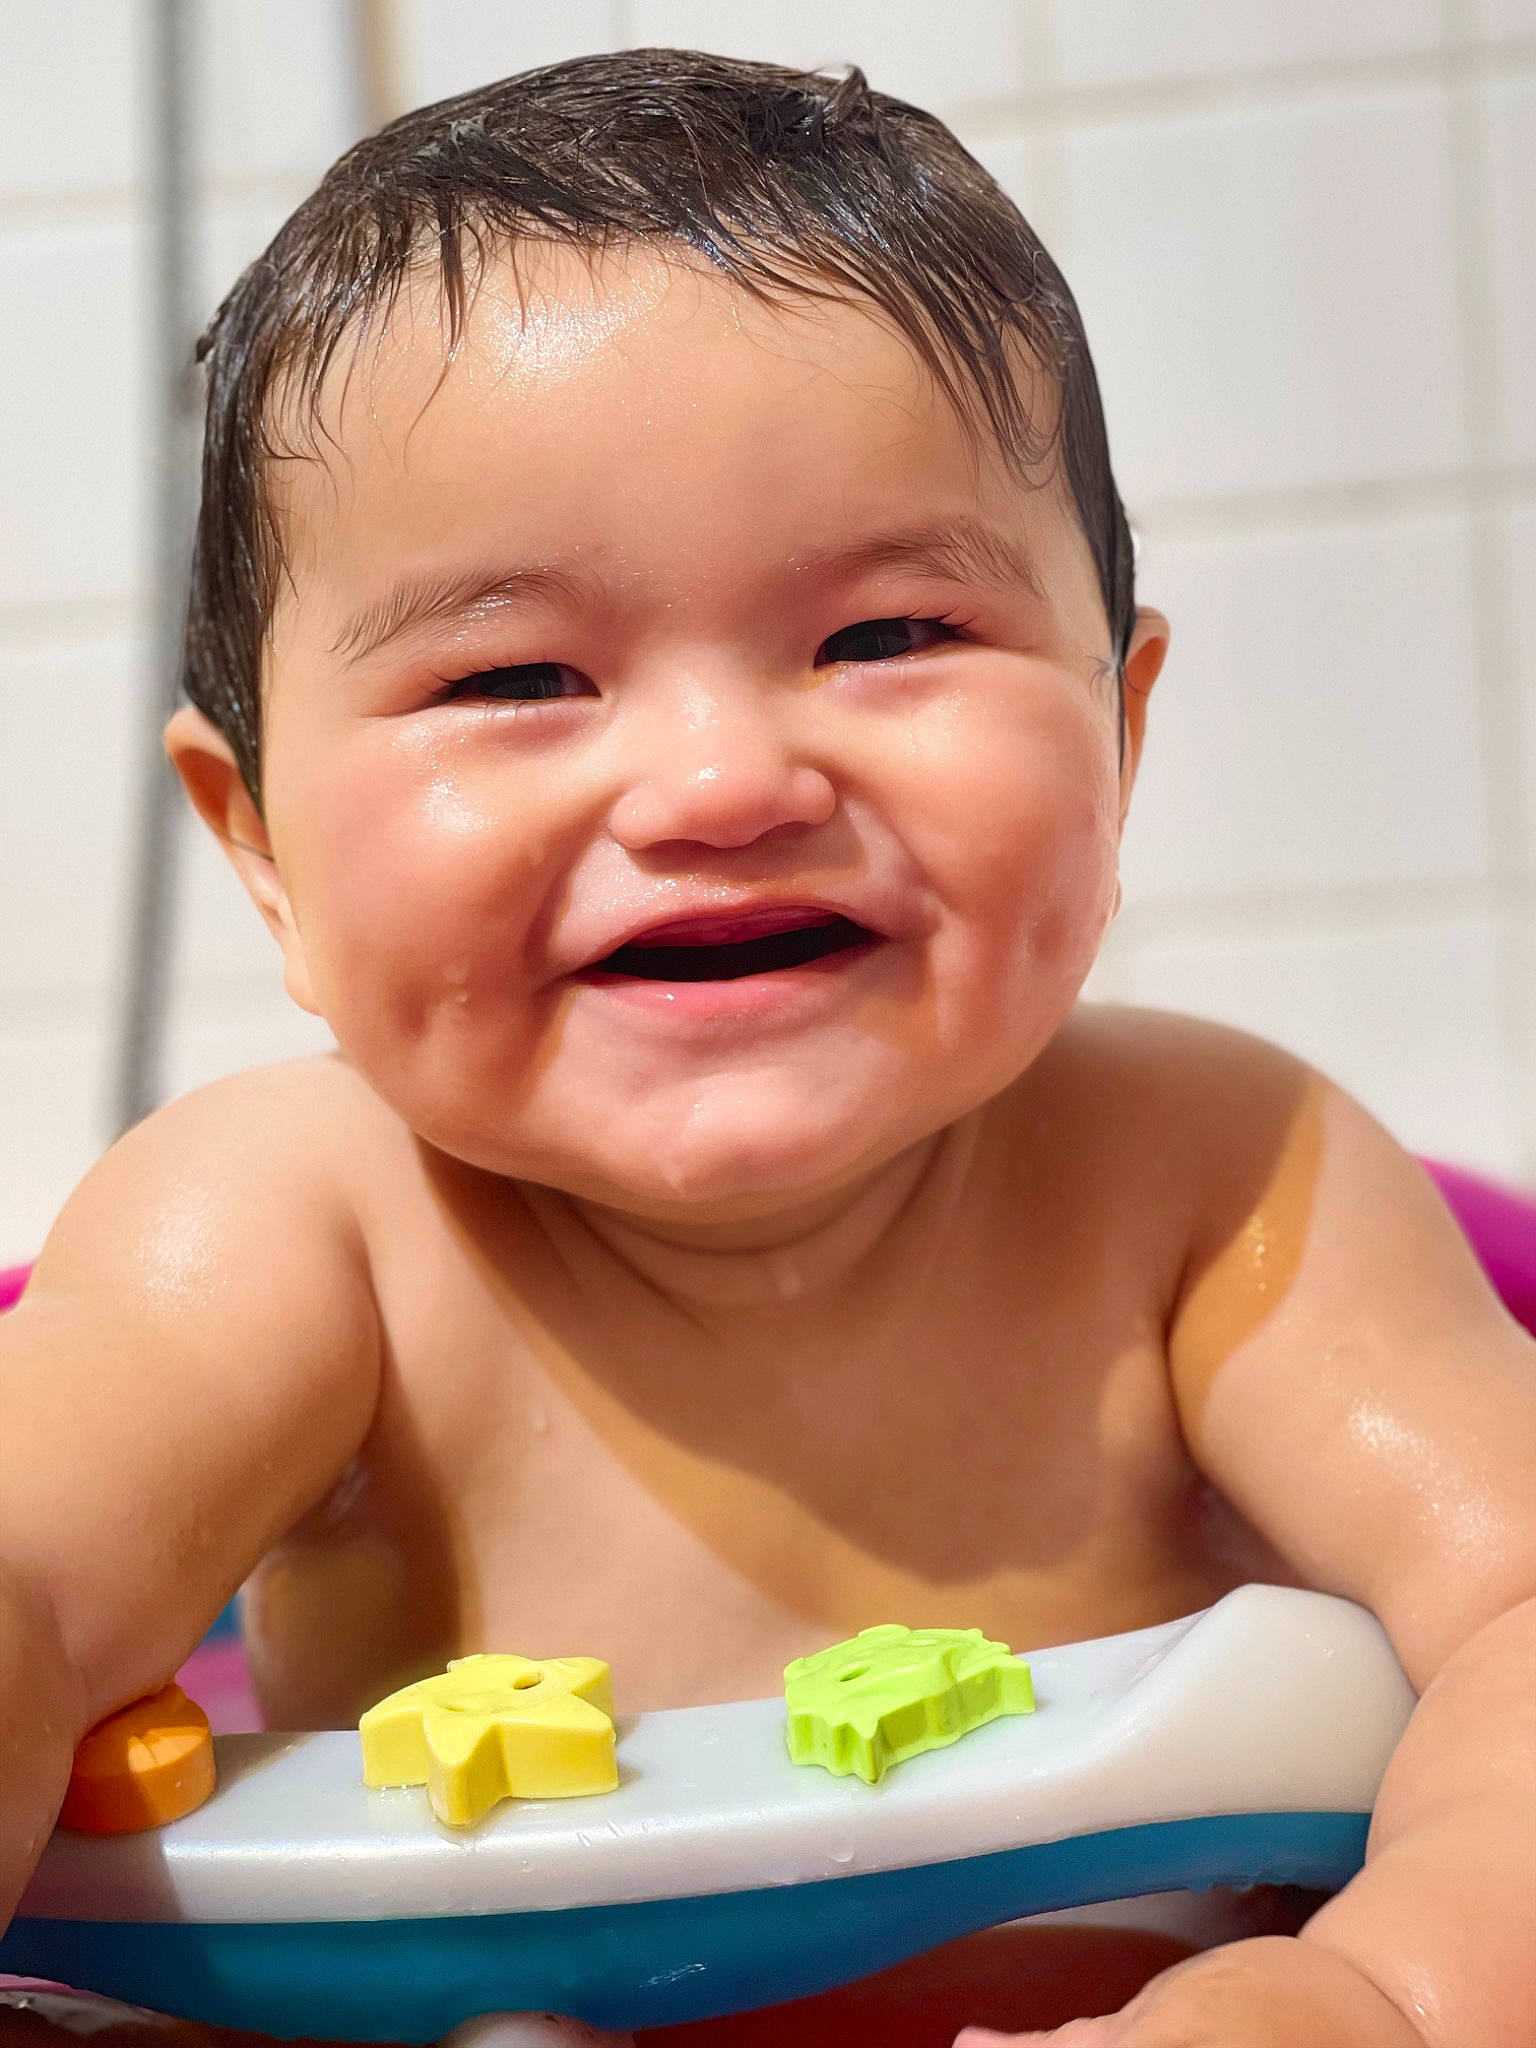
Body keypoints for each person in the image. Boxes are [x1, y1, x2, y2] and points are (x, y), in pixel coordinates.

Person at [1, 48, 1531, 2048]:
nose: (723, 780)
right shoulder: (289, 1227)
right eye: (517, 674)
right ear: (263, 850)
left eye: (889, 636)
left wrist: (1382, 1997)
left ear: (1122, 730)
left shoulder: (1222, 1183)